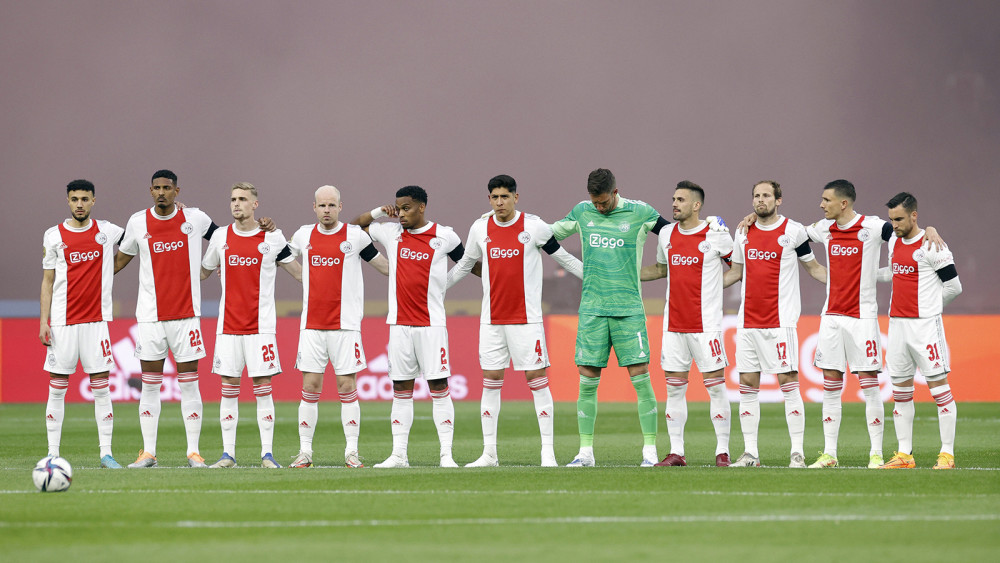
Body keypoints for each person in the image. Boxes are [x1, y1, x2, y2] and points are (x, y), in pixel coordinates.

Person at [551, 168, 706, 467]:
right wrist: (575, 266)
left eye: (604, 202)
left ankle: (649, 451)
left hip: (629, 309)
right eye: (595, 202)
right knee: (587, 378)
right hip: (593, 309)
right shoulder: (582, 212)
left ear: (615, 192)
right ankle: (585, 452)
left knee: (640, 376)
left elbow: (675, 233)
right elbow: (546, 234)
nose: (599, 207)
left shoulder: (640, 212)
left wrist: (708, 225)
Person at [802, 179, 942, 469]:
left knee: (869, 387)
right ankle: (829, 454)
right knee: (831, 385)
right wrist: (813, 267)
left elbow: (906, 234)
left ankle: (876, 454)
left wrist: (929, 228)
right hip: (831, 318)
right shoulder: (824, 228)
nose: (821, 205)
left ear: (843, 203)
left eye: (826, 200)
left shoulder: (874, 227)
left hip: (862, 319)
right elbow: (791, 235)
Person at [448, 174, 583, 467]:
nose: (500, 202)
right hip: (491, 321)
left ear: (515, 198)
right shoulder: (480, 227)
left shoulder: (534, 227)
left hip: (527, 321)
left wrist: (595, 278)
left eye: (505, 197)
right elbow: (465, 265)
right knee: (491, 381)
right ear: (489, 199)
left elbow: (564, 258)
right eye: (495, 197)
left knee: (536, 379)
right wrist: (437, 289)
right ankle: (489, 454)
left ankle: (547, 453)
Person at [353, 185, 467, 468]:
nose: (401, 214)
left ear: (421, 207)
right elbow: (353, 228)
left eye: (407, 208)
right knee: (401, 388)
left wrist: (446, 283)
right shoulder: (391, 233)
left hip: (431, 325)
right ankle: (399, 455)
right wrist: (379, 212)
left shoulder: (444, 236)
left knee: (438, 386)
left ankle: (446, 455)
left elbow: (468, 263)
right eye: (399, 208)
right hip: (399, 325)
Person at [114, 170, 218, 468]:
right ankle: (148, 453)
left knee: (189, 384)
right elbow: (119, 261)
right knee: (149, 384)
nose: (161, 192)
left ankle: (194, 452)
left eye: (167, 188)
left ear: (176, 191)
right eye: (157, 188)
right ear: (150, 191)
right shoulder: (138, 222)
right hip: (150, 317)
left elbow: (225, 238)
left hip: (186, 316)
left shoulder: (195, 218)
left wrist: (210, 265)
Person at [721, 181, 826, 468]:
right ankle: (750, 454)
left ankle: (797, 454)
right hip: (747, 322)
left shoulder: (794, 231)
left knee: (788, 383)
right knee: (747, 384)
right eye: (756, 195)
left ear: (778, 200)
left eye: (766, 195)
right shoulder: (742, 232)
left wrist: (846, 283)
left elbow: (814, 268)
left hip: (780, 323)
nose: (760, 200)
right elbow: (735, 273)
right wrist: (702, 285)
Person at [286, 185, 388, 469]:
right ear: (314, 207)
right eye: (322, 205)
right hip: (312, 326)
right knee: (310, 386)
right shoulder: (303, 235)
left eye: (332, 205)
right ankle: (305, 452)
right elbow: (278, 256)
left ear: (340, 207)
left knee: (346, 386)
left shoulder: (355, 236)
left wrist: (415, 267)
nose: (327, 210)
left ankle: (351, 453)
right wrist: (300, 275)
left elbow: (384, 267)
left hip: (346, 326)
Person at [200, 182, 300, 468]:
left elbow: (299, 273)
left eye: (243, 199)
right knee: (228, 387)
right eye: (233, 199)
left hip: (261, 328)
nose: (236, 203)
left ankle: (267, 454)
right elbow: (203, 272)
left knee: (263, 387)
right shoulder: (220, 237)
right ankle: (227, 454)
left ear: (255, 204)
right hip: (227, 327)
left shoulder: (273, 237)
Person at [640, 181, 734, 467]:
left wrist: (714, 286)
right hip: (673, 325)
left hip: (706, 326)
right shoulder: (666, 234)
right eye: (673, 199)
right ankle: (677, 452)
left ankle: (722, 451)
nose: (674, 204)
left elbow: (739, 269)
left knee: (715, 387)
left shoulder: (716, 235)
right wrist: (624, 274)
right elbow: (661, 269)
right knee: (674, 389)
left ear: (696, 205)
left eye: (680, 199)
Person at [40, 179, 125, 469]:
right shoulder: (53, 236)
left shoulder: (107, 231)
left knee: (101, 388)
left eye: (85, 199)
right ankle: (52, 454)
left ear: (93, 201)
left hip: (96, 322)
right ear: (68, 201)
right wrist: (44, 321)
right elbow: (48, 281)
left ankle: (106, 454)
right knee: (57, 388)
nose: (79, 204)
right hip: (62, 323)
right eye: (75, 199)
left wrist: (111, 269)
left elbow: (138, 239)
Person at [877, 192, 961, 470]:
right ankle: (905, 455)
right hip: (897, 326)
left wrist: (930, 308)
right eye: (892, 219)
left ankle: (947, 455)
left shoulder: (933, 246)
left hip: (925, 327)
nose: (894, 225)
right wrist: (864, 274)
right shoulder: (894, 240)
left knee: (939, 389)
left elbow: (954, 286)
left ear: (914, 216)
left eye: (899, 219)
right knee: (900, 392)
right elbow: (893, 272)